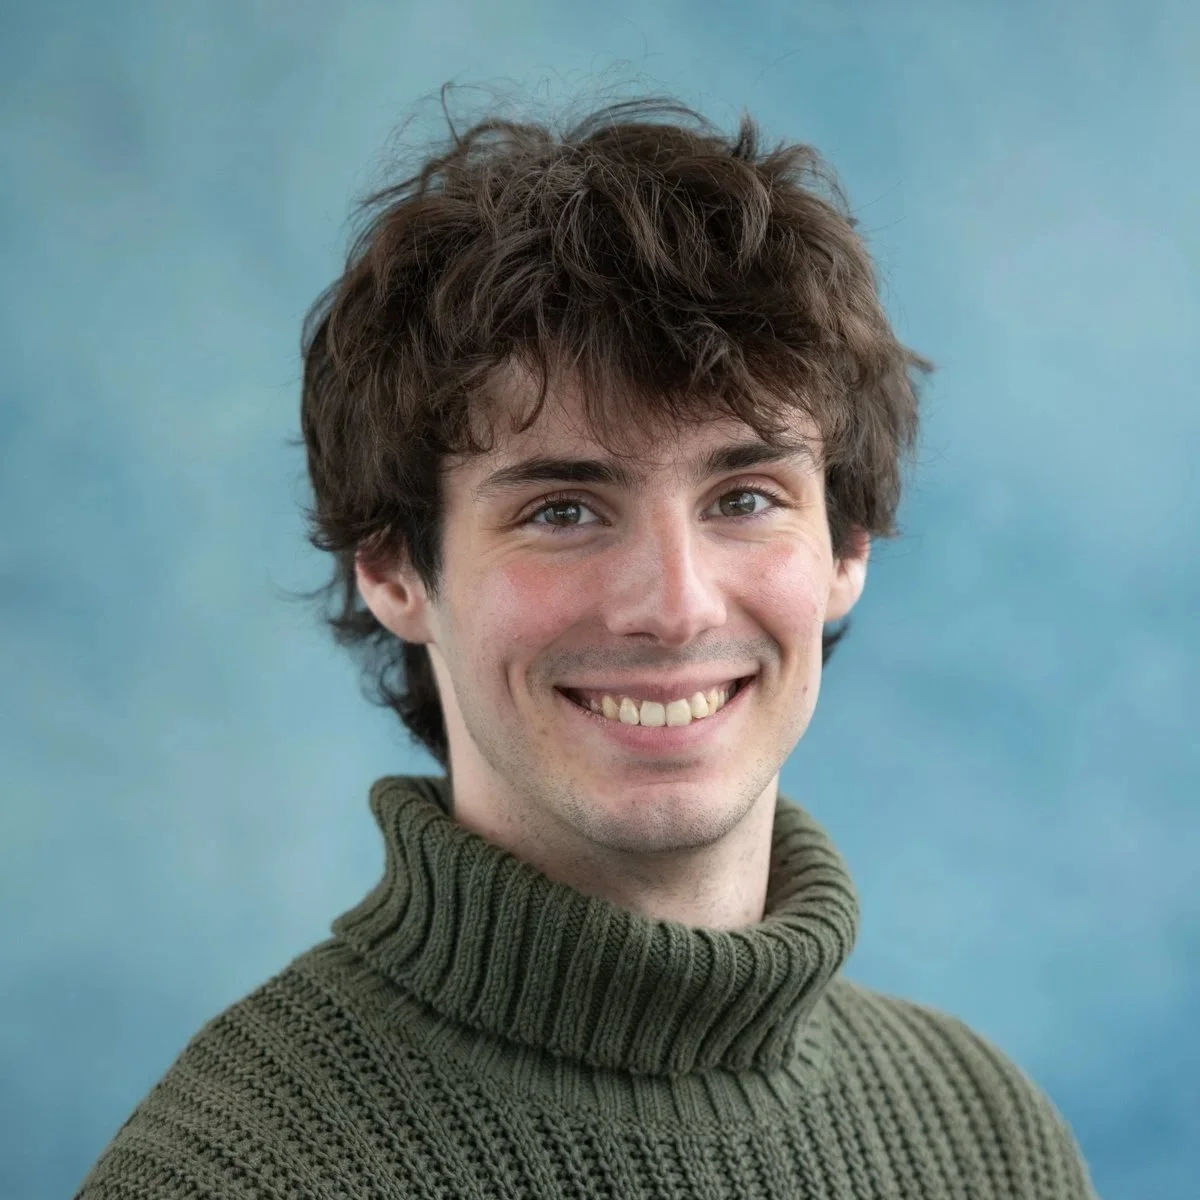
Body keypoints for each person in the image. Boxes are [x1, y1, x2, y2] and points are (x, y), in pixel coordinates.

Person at [77, 95, 1098, 1198]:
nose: (675, 604)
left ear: (847, 546)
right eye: (563, 509)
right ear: (391, 569)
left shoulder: (985, 1136)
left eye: (746, 497)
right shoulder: (233, 1175)